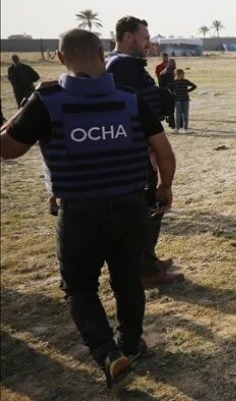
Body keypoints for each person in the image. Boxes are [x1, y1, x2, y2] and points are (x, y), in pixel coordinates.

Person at [0, 28, 176, 391]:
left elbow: (8, 149)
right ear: (101, 53)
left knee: (80, 288)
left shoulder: (47, 100)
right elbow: (164, 152)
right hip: (131, 206)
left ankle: (108, 353)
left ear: (62, 59)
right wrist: (164, 187)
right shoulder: (128, 99)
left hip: (81, 212)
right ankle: (130, 343)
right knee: (128, 280)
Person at [106, 16, 183, 287]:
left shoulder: (121, 64)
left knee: (150, 206)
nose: (148, 44)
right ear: (128, 38)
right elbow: (137, 106)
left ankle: (148, 260)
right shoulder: (122, 66)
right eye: (145, 38)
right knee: (148, 207)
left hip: (139, 142)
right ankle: (146, 271)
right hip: (137, 145)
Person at [169, 68, 196, 133]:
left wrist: (188, 90)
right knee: (178, 115)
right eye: (179, 74)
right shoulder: (174, 82)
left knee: (185, 115)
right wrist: (172, 92)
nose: (181, 75)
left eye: (182, 74)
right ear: (176, 75)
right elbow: (168, 87)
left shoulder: (186, 81)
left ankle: (185, 129)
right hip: (178, 100)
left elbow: (194, 86)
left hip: (185, 100)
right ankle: (177, 129)